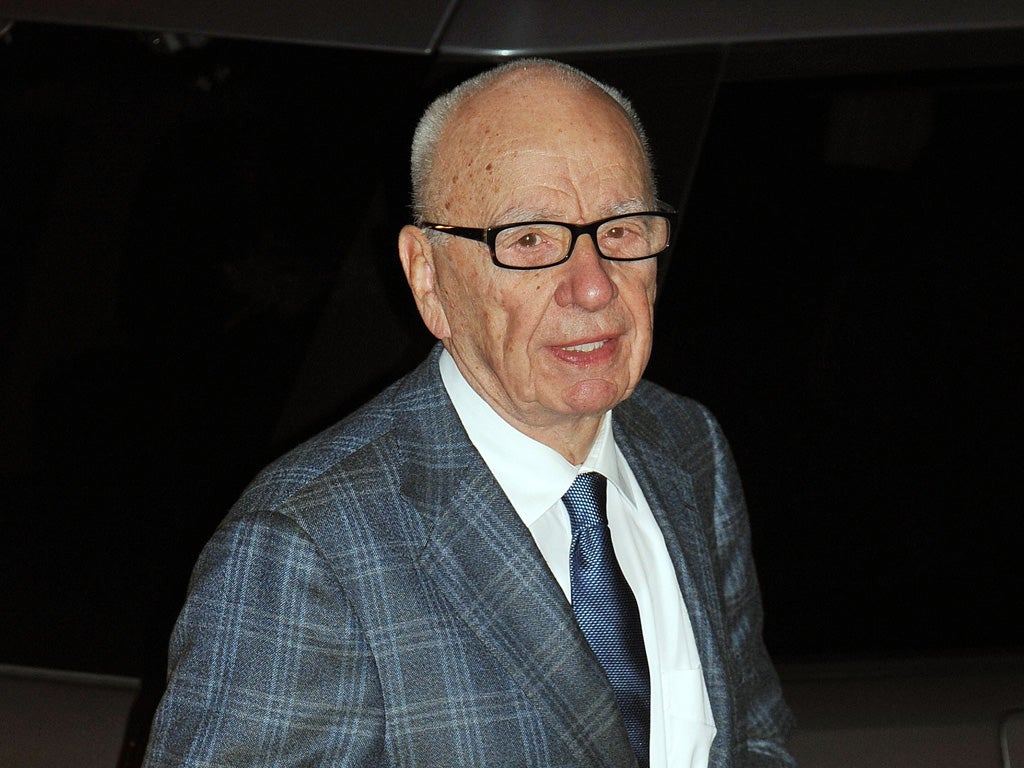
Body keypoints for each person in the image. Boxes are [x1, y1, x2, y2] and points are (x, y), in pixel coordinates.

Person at [142, 58, 795, 768]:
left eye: (622, 229)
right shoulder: (307, 550)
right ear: (427, 276)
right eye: (529, 240)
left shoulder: (688, 445)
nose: (593, 287)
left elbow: (754, 741)